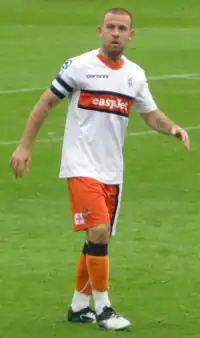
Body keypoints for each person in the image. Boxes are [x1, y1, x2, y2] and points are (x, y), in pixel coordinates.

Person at [10, 7, 190, 331]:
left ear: (131, 35)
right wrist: (25, 144)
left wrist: (172, 127)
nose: (116, 33)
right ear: (100, 30)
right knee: (99, 231)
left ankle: (79, 307)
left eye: (122, 28)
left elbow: (149, 114)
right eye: (111, 27)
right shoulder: (80, 66)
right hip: (80, 165)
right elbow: (45, 103)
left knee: (99, 238)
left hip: (112, 170)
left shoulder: (134, 75)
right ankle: (103, 308)